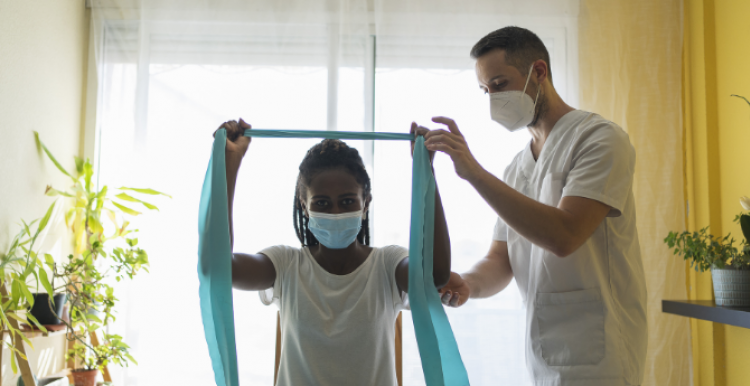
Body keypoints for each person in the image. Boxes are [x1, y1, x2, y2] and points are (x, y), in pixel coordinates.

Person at [417, 26, 648, 385]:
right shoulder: (517, 167)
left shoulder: (599, 139)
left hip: (603, 360)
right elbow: (501, 259)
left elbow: (565, 235)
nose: (493, 99)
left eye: (499, 84)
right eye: (485, 91)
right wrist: (468, 284)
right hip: (543, 358)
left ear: (538, 72)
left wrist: (474, 173)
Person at [219, 119, 450, 386]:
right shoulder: (286, 265)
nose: (336, 213)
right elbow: (219, 268)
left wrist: (426, 170)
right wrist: (229, 164)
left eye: (348, 201)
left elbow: (436, 275)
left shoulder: (387, 265)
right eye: (322, 203)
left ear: (366, 204)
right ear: (304, 206)